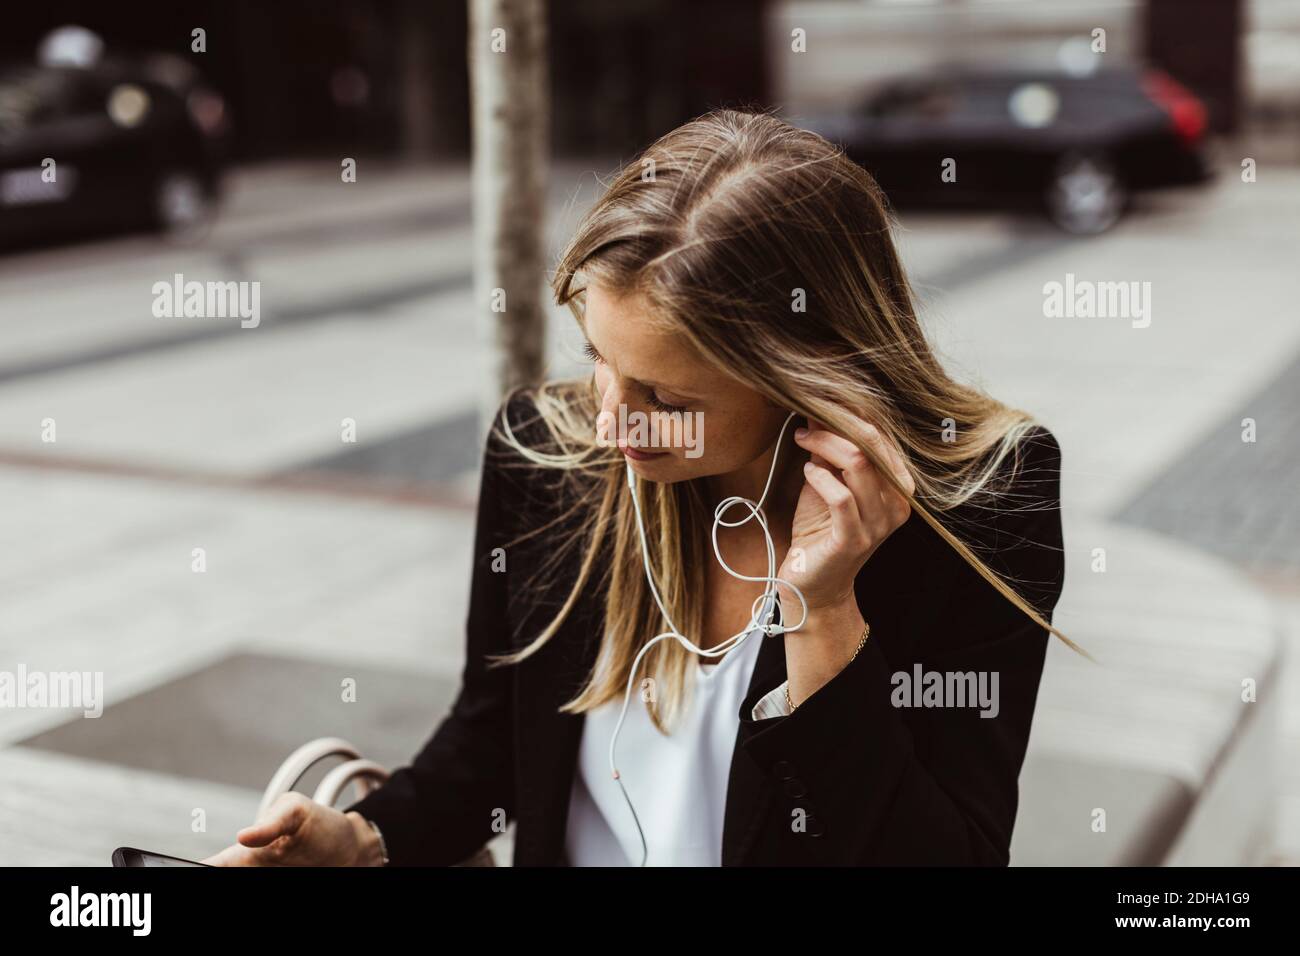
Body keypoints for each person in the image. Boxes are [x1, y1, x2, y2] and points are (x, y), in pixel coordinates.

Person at [205, 109, 1074, 868]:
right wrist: (367, 840)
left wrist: (828, 613)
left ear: (811, 377)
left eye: (665, 398)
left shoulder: (981, 506)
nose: (611, 423)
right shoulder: (547, 454)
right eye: (597, 359)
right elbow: (495, 737)